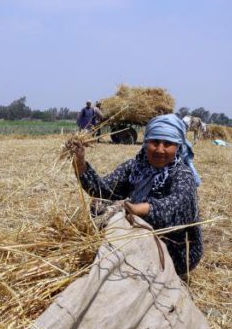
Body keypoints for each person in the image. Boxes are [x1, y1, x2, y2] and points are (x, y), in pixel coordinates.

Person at [71, 114, 203, 277]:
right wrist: (80, 163)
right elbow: (103, 190)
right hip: (137, 233)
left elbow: (176, 206)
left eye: (168, 144)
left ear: (177, 147)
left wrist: (139, 210)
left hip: (174, 249)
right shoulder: (133, 167)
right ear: (146, 142)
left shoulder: (182, 174)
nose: (160, 149)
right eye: (155, 142)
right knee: (98, 205)